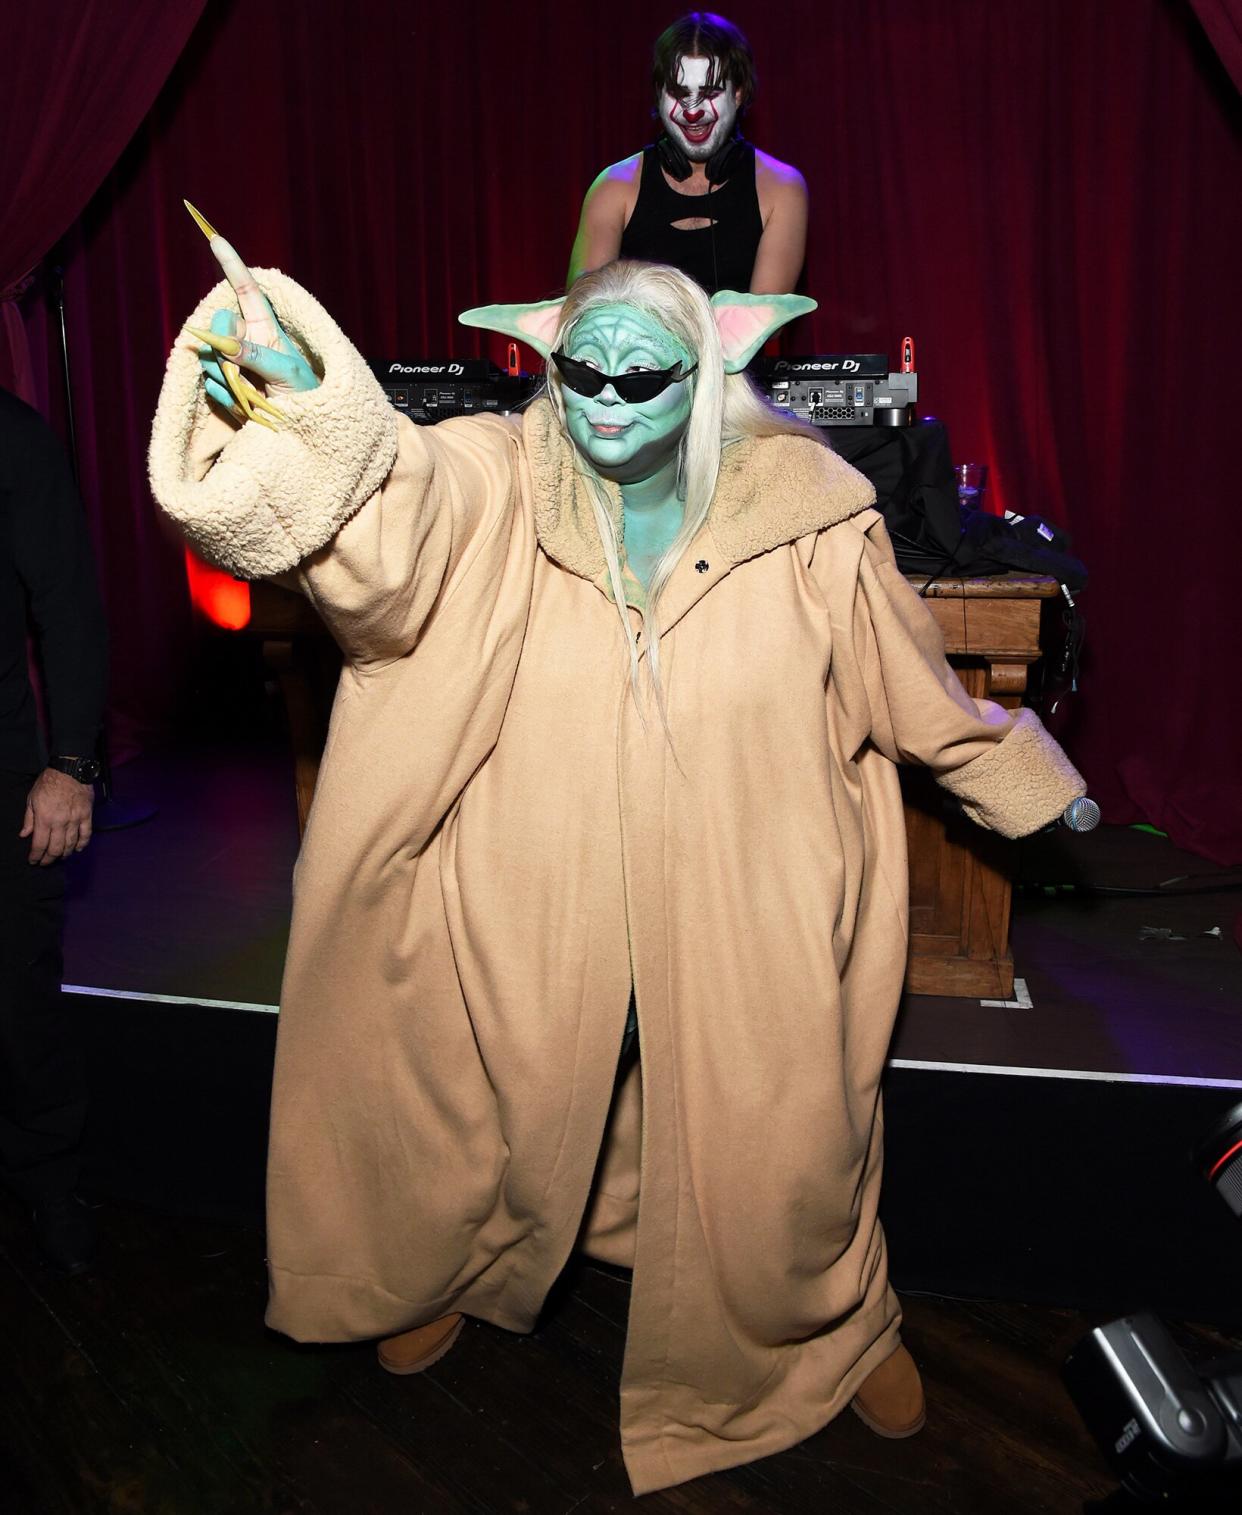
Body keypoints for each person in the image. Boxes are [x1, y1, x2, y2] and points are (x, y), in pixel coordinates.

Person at [149, 227, 1085, 1495]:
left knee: (790, 1126)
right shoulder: (503, 474)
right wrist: (317, 411)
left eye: (640, 376)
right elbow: (399, 526)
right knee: (508, 1083)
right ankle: (462, 1267)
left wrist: (1017, 776)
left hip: (750, 881)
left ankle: (826, 1319)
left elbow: (904, 678)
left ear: (704, 374)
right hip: (542, 874)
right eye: (581, 373)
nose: (603, 402)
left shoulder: (809, 510)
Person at [0, 385, 107, 1275]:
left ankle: (47, 1180)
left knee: (17, 995)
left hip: (3, 776)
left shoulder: (10, 435)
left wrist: (70, 765)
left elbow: (67, 603)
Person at [568, 12, 808, 295]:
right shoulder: (613, 186)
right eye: (679, 93)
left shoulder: (781, 188)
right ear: (659, 94)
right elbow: (585, 309)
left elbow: (766, 320)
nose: (692, 112)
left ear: (739, 93)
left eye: (708, 93)